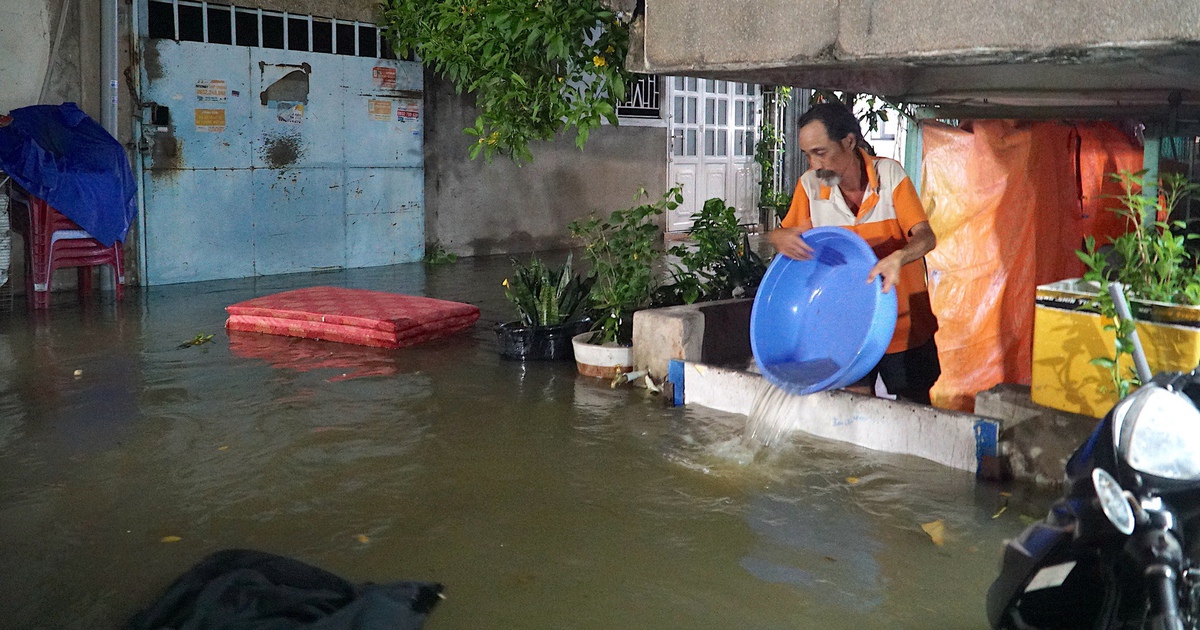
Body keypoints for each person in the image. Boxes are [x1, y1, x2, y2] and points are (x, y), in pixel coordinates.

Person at [767, 102, 940, 404]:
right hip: (846, 328)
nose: (814, 164)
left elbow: (926, 237)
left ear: (848, 141)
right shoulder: (809, 186)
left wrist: (898, 258)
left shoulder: (889, 175)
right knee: (852, 413)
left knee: (916, 410)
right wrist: (778, 237)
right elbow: (785, 234)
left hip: (903, 325)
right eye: (808, 155)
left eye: (820, 153)